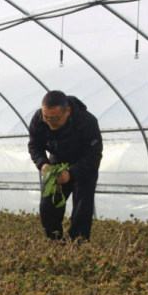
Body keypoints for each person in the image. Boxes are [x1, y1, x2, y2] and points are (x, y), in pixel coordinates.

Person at [28, 90, 103, 241]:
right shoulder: (38, 120)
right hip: (58, 163)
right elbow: (35, 146)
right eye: (46, 118)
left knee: (82, 208)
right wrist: (43, 163)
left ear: (67, 111)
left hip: (84, 167)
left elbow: (94, 155)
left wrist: (71, 173)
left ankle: (78, 245)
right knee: (48, 205)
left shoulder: (87, 122)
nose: (50, 123)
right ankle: (54, 242)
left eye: (55, 119)